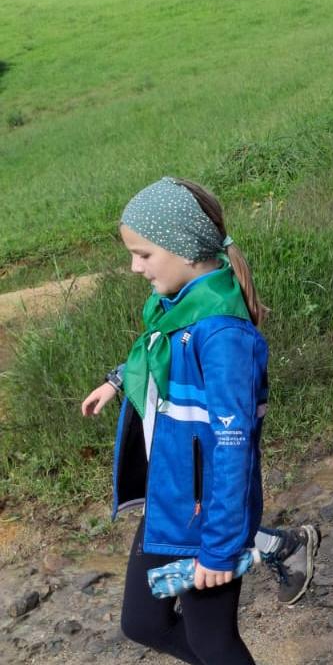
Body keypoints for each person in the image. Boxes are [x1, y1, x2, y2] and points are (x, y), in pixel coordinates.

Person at [81, 177, 270, 664]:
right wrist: (119, 380)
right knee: (141, 622)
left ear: (185, 249)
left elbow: (234, 448)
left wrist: (220, 548)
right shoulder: (178, 314)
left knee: (214, 641)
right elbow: (161, 355)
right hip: (169, 503)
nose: (134, 266)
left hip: (205, 519)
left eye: (143, 254)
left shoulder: (222, 333)